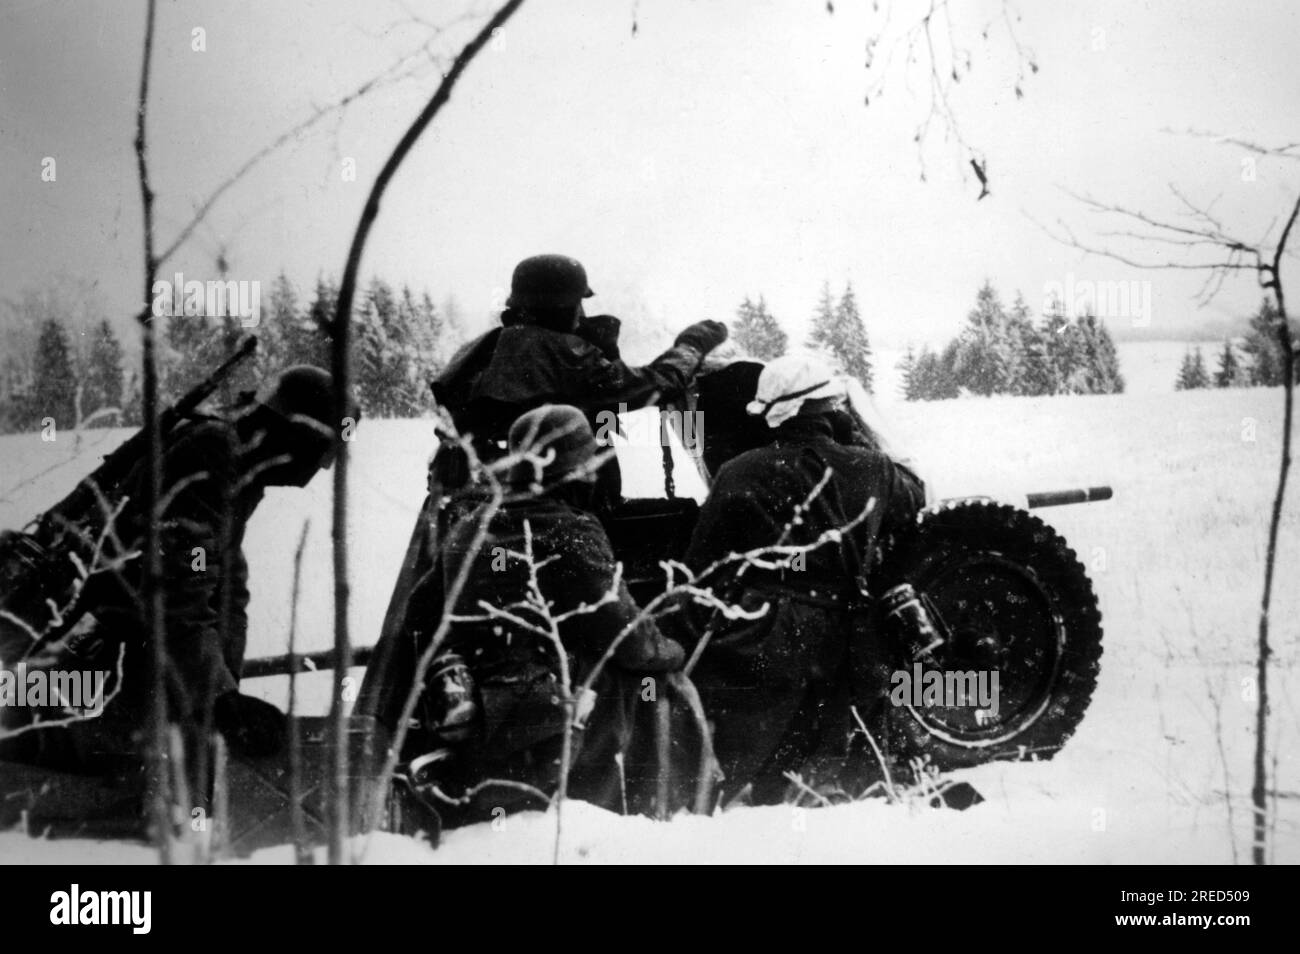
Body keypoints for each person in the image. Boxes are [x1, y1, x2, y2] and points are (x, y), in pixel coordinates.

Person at [0, 366, 358, 821]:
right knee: (121, 788)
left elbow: (222, 575)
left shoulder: (235, 460)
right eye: (326, 453)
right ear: (300, 435)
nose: (321, 469)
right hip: (96, 654)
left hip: (101, 648)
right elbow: (178, 590)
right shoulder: (213, 454)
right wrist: (221, 699)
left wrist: (223, 690)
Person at [394, 404, 688, 822]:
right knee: (649, 681)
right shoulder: (569, 529)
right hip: (550, 705)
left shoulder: (469, 524)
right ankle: (633, 813)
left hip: (475, 703)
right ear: (578, 468)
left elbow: (420, 614)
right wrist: (673, 648)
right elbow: (629, 640)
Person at [679, 354, 925, 804]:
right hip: (848, 643)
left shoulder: (739, 472)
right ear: (831, 410)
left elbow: (701, 574)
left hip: (763, 637)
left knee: (737, 777)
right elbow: (915, 496)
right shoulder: (874, 469)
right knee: (838, 775)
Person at [429, 253, 728, 493]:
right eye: (578, 303)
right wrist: (692, 344)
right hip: (564, 506)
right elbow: (659, 384)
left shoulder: (480, 350)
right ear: (564, 306)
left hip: (483, 504)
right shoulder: (566, 354)